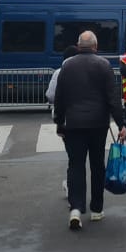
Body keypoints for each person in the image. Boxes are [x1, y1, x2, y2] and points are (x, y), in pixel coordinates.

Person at [52, 30, 126, 230]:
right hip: (97, 124)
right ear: (95, 45)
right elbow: (113, 98)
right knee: (97, 166)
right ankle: (96, 209)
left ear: (78, 45)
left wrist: (59, 122)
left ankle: (75, 208)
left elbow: (60, 98)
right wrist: (122, 124)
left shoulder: (67, 66)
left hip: (74, 124)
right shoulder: (103, 65)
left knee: (76, 165)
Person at [47, 44, 80, 201]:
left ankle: (71, 187)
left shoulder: (59, 73)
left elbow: (51, 95)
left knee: (73, 157)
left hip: (66, 120)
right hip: (88, 119)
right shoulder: (86, 69)